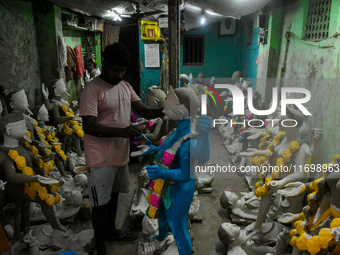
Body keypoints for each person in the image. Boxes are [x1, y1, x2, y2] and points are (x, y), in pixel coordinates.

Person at [79, 42, 164, 255]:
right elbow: (88, 126)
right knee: (99, 206)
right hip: (100, 158)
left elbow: (143, 109)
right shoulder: (92, 89)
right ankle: (101, 249)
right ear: (105, 63)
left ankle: (112, 232)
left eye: (122, 71)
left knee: (115, 197)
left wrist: (166, 109)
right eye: (115, 70)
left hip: (120, 154)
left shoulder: (125, 86)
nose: (119, 75)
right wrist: (123, 131)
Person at [131, 86, 211, 255]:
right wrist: (152, 148)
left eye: (168, 104)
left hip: (180, 190)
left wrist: (161, 173)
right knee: (163, 216)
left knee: (177, 224)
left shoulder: (188, 143)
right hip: (167, 185)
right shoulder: (176, 132)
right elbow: (165, 148)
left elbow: (185, 174)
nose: (164, 108)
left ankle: (184, 251)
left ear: (181, 113)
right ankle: (161, 237)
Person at [0, 113, 63, 242]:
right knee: (44, 199)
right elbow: (11, 177)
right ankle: (57, 227)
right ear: (8, 130)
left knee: (47, 191)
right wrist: (34, 179)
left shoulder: (21, 146)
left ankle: (27, 229)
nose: (26, 130)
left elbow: (33, 160)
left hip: (30, 181)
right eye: (21, 127)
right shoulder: (5, 152)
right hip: (15, 187)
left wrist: (46, 158)